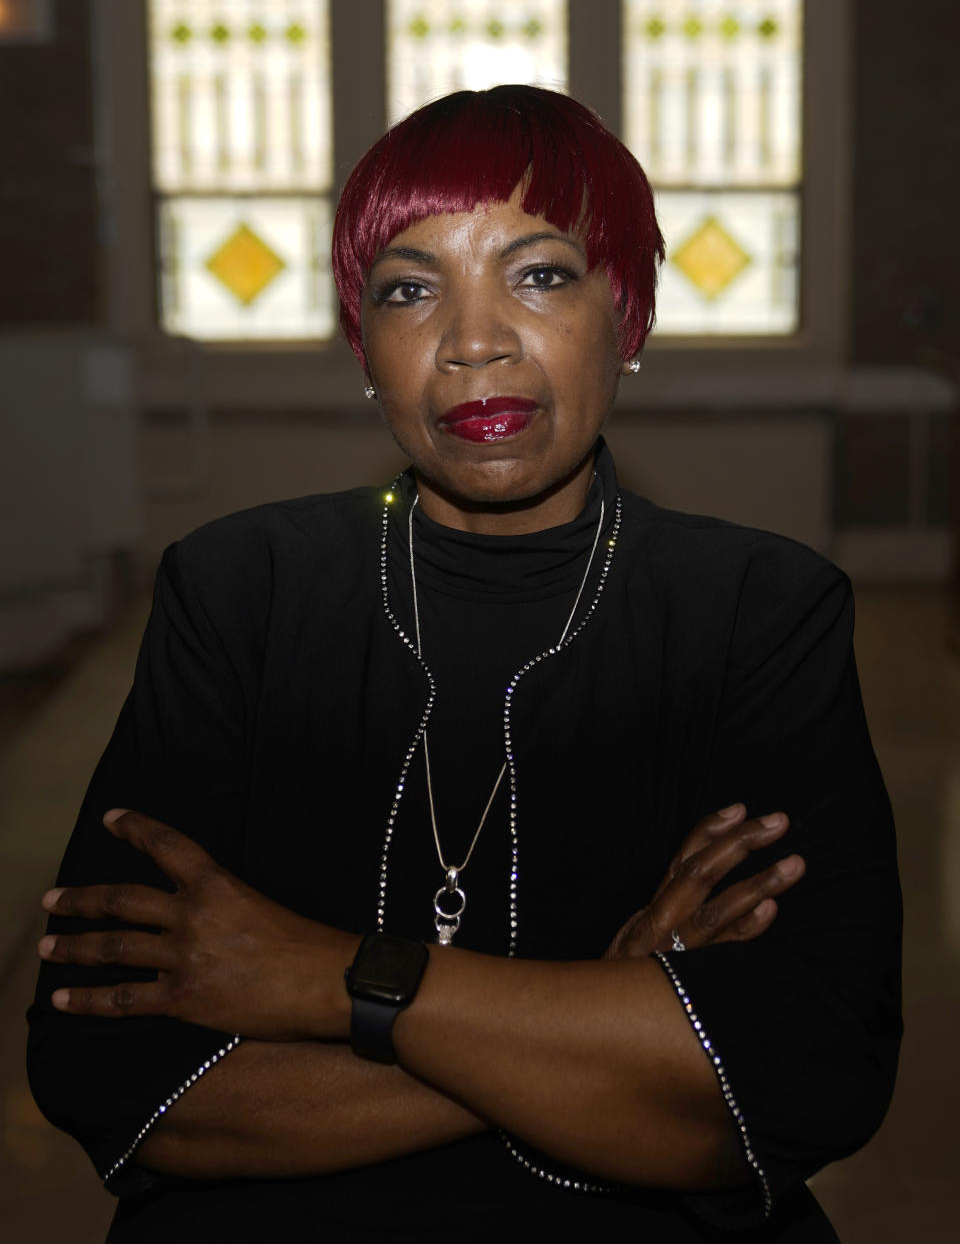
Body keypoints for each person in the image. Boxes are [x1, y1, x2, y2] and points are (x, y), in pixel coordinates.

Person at [28, 85, 901, 1242]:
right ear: (364, 347)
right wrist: (594, 1015)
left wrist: (334, 978)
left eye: (540, 275)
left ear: (628, 316)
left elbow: (802, 1087)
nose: (474, 340)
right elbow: (111, 1082)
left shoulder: (757, 610)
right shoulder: (241, 592)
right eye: (409, 287)